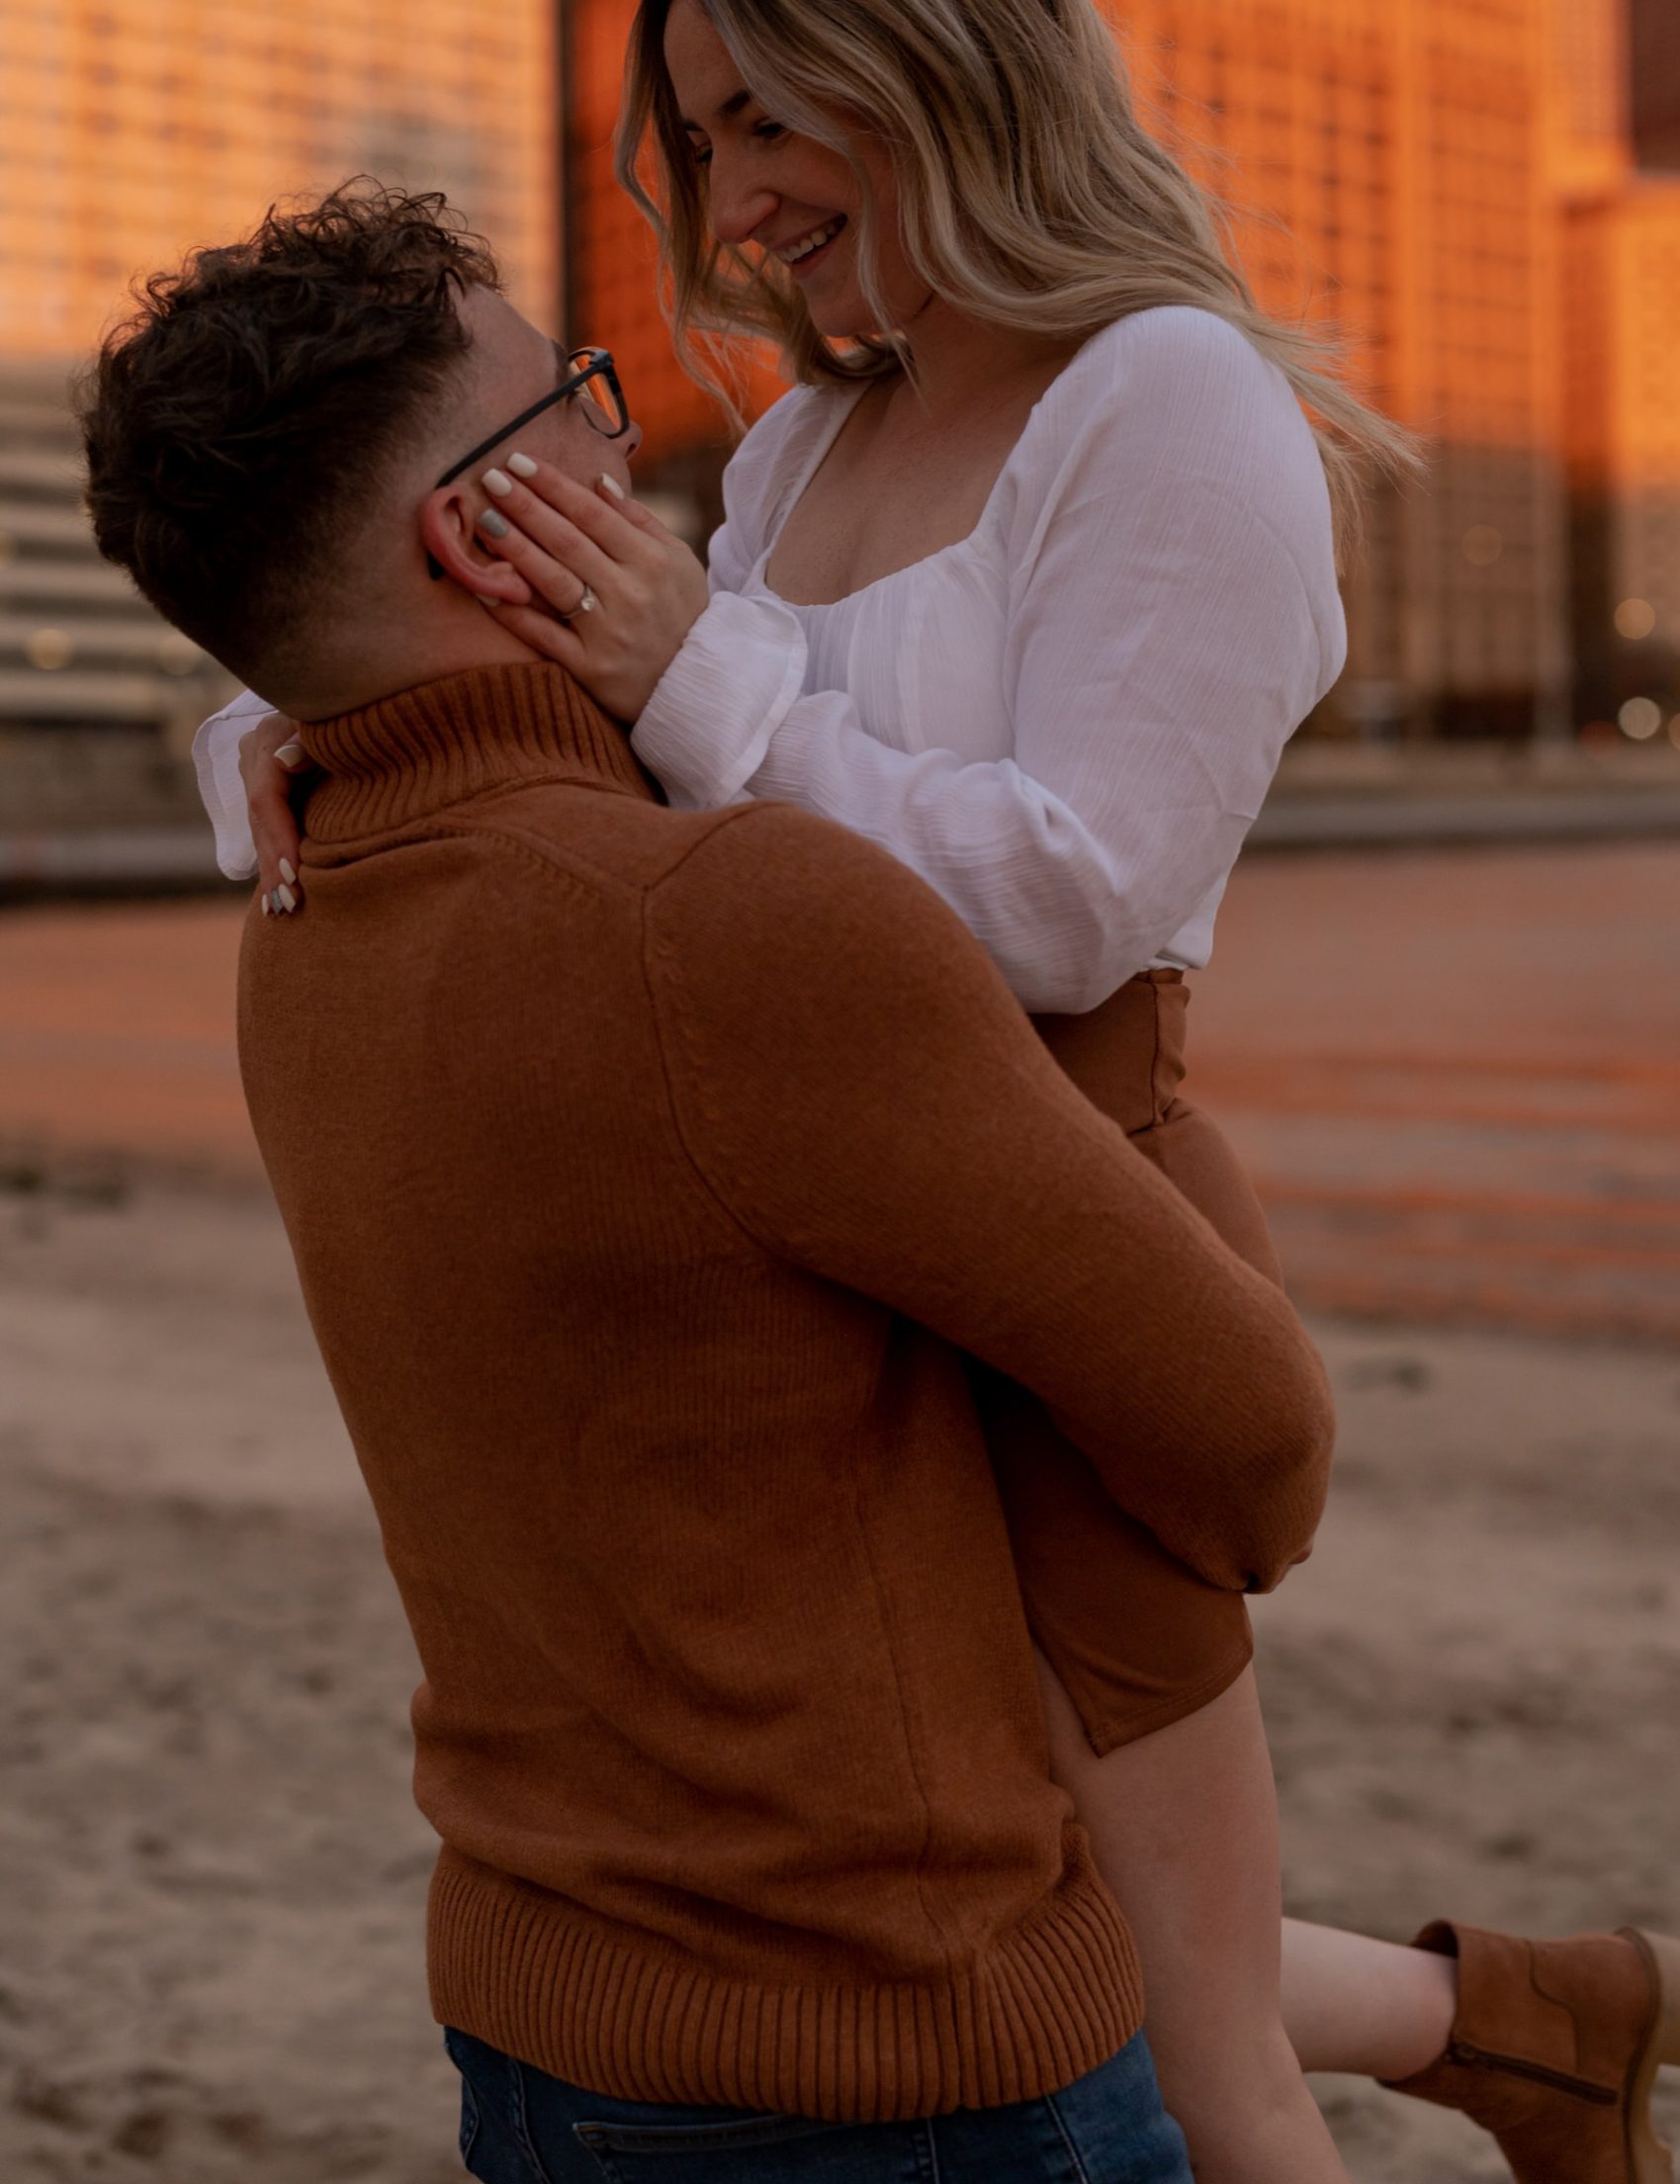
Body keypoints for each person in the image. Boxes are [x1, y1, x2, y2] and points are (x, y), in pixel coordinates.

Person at [193, 0, 1680, 2184]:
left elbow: (1070, 898)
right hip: (836, 1262)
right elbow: (590, 713)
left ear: (938, 52)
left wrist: (697, 666)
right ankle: (1531, 2021)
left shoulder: (1172, 406)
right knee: (1062, 1943)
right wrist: (283, 739)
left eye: (767, 111)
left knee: (1201, 2065)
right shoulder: (814, 435)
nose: (731, 194)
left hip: (1055, 1236)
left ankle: (1535, 2028)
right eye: (700, 136)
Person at [82, 182, 1346, 2182]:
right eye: (579, 410)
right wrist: (1140, 1090)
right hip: (892, 2067)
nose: (631, 445)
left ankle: (1502, 2013)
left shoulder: (300, 919)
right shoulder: (729, 925)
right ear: (490, 531)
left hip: (543, 2036)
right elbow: (1259, 1437)